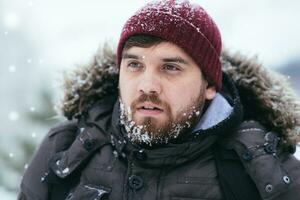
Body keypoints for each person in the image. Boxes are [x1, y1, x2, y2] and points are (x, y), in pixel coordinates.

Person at [18, 0, 300, 199]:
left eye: (170, 67)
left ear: (210, 86)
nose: (147, 86)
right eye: (134, 65)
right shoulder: (67, 150)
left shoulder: (265, 170)